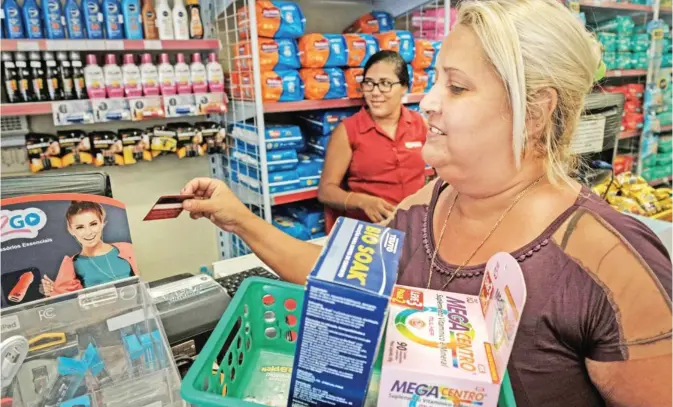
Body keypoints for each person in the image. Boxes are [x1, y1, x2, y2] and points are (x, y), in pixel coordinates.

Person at [179, 1, 672, 405]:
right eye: (436, 80)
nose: (426, 102)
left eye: (456, 87)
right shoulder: (427, 203)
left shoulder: (609, 261)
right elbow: (340, 277)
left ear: (535, 110)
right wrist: (238, 219)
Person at [318, 50, 428, 224]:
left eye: (385, 84)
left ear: (404, 87)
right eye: (369, 83)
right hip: (371, 230)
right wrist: (362, 201)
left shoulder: (419, 124)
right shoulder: (348, 130)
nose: (375, 92)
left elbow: (442, 174)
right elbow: (326, 191)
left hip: (416, 224)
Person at [41, 201, 137, 296]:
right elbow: (67, 301)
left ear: (102, 223)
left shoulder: (127, 248)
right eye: (80, 227)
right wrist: (56, 292)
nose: (88, 232)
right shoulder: (72, 264)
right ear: (70, 230)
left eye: (93, 224)